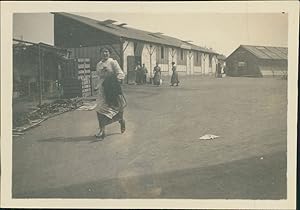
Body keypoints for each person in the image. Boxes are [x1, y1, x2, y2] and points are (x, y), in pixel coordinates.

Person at [94, 47, 126, 140]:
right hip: (102, 89)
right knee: (99, 109)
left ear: (109, 53)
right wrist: (97, 86)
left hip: (112, 88)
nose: (105, 53)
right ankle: (102, 130)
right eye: (103, 52)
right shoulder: (98, 64)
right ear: (100, 53)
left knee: (115, 107)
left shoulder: (113, 62)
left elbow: (120, 73)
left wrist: (116, 80)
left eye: (106, 52)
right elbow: (99, 76)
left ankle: (121, 120)